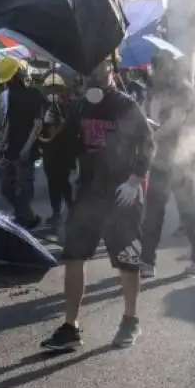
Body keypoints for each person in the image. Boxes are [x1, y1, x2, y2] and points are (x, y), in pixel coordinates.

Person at [40, 55, 154, 352]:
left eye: (99, 65)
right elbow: (64, 150)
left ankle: (131, 319)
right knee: (74, 257)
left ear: (110, 68)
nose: (93, 71)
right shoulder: (78, 107)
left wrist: (136, 178)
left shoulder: (125, 104)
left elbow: (148, 142)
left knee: (127, 259)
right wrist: (49, 133)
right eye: (87, 66)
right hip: (88, 193)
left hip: (122, 193)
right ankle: (70, 326)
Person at [140, 50, 195, 279]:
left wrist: (153, 135)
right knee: (153, 212)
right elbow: (147, 114)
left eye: (160, 67)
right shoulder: (155, 91)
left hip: (182, 158)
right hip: (160, 160)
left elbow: (175, 122)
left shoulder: (184, 90)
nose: (156, 72)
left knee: (189, 210)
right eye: (155, 67)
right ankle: (147, 261)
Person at [0, 56, 45, 228]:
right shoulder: (11, 95)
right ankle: (26, 215)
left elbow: (37, 124)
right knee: (5, 186)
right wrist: (3, 141)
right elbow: (10, 120)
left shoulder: (35, 94)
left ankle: (26, 218)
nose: (8, 83)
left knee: (25, 187)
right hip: (11, 146)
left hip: (27, 148)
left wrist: (26, 147)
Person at [39, 73, 73, 225]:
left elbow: (68, 127)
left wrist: (59, 123)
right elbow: (41, 127)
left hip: (63, 149)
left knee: (63, 182)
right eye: (50, 90)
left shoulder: (67, 107)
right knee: (52, 182)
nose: (53, 93)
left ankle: (71, 209)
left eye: (56, 90)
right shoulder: (45, 106)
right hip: (48, 150)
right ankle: (56, 211)